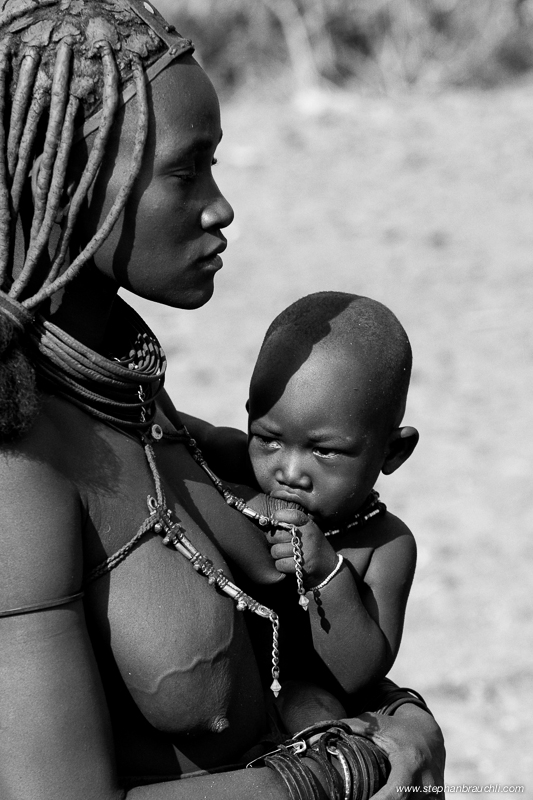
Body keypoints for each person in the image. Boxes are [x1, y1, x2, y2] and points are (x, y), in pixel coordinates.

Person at [0, 1, 445, 798]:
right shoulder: (19, 465)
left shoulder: (145, 412)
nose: (220, 206)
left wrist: (393, 710)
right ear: (68, 180)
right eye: (186, 169)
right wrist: (350, 767)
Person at [184, 291, 420, 735]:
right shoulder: (239, 465)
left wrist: (327, 574)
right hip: (210, 685)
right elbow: (172, 430)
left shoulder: (385, 545)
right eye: (268, 439)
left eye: (324, 452)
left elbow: (359, 673)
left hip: (303, 701)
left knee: (311, 707)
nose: (288, 472)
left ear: (393, 451)